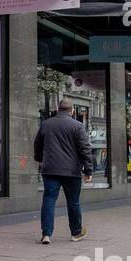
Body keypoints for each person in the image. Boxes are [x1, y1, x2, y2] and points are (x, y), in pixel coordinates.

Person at [33, 98, 94, 245]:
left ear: (57, 108)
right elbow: (85, 149)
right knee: (73, 202)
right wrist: (88, 170)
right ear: (72, 111)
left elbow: (37, 144)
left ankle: (46, 234)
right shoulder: (78, 126)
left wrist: (39, 159)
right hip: (71, 171)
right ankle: (76, 233)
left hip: (50, 169)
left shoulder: (46, 124)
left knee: (48, 200)